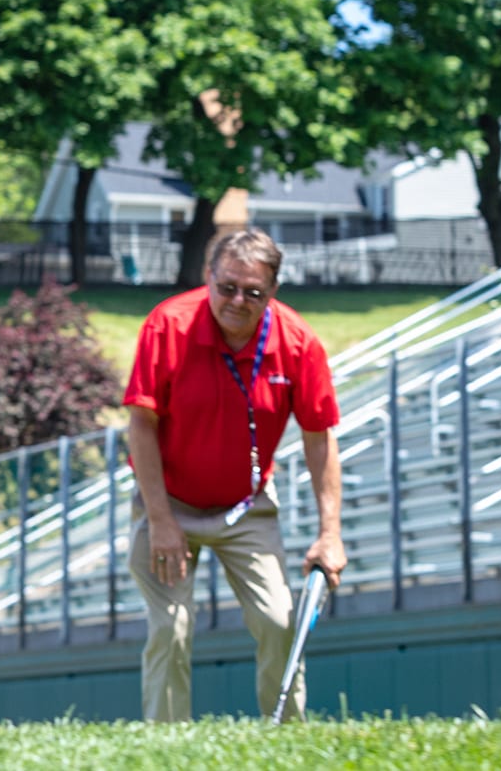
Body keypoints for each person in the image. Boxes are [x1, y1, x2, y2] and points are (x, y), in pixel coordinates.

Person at [124, 228, 347, 722]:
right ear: (208, 278)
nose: (238, 301)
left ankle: (286, 743)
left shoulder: (298, 342)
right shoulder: (168, 325)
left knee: (279, 622)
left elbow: (319, 437)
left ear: (273, 293)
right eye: (227, 287)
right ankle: (167, 750)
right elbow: (140, 424)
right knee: (170, 628)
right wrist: (160, 520)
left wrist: (330, 533)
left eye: (254, 293)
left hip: (246, 507)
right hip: (170, 505)